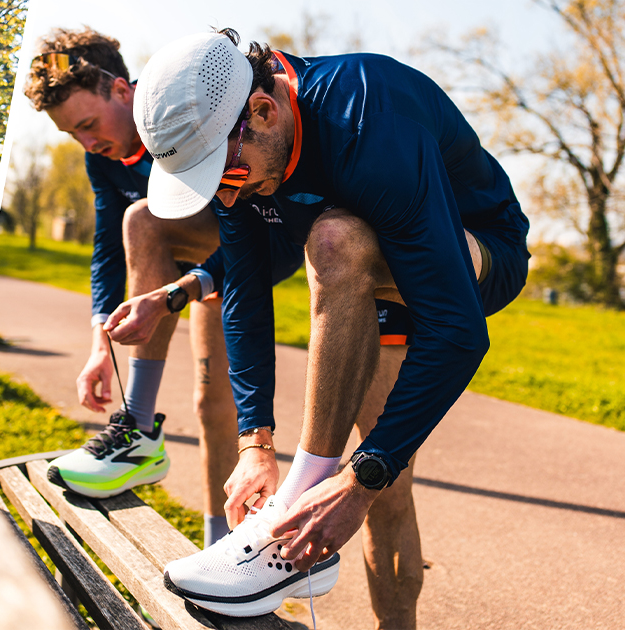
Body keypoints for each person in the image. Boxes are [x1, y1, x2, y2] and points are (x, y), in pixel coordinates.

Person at [115, 30, 529, 624]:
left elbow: (458, 328)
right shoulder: (246, 158)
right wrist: (255, 442)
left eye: (225, 175)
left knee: (384, 492)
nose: (224, 196)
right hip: (356, 262)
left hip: (474, 256)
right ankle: (294, 517)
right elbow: (247, 295)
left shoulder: (370, 118)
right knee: (335, 239)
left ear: (263, 109)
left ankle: (294, 514)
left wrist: (362, 476)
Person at [23, 28, 236, 542]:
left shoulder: (183, 112)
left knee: (144, 218)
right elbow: (107, 245)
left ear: (123, 91)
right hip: (192, 267)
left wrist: (186, 286)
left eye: (90, 125)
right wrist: (101, 344)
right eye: (74, 135)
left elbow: (250, 218)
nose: (88, 143)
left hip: (244, 250)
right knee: (212, 406)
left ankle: (139, 429)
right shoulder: (102, 155)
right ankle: (218, 541)